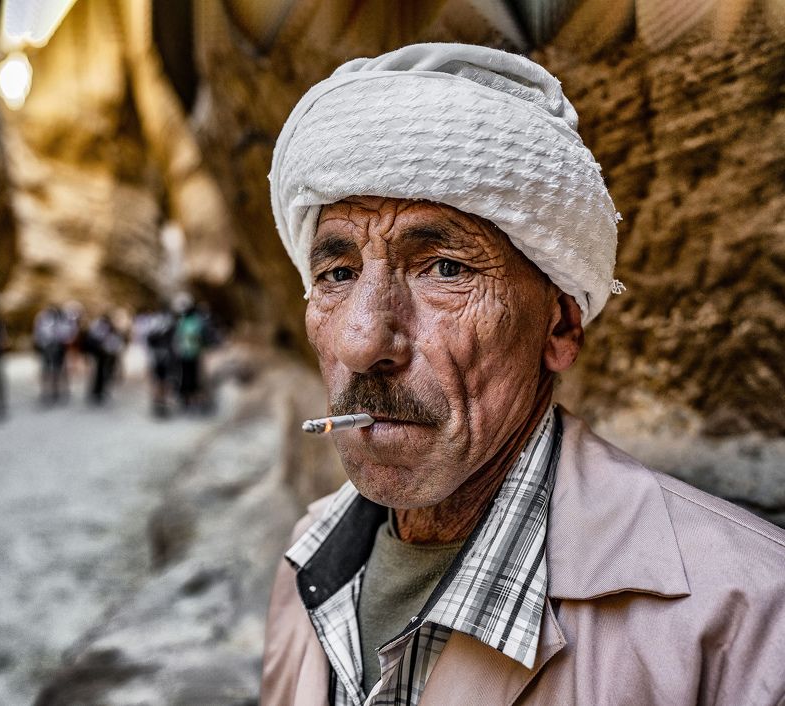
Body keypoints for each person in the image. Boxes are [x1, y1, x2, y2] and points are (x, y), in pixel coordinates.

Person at [260, 44, 785, 705]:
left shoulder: (751, 627)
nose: (365, 341)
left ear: (559, 328)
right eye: (337, 274)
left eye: (445, 268)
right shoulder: (309, 559)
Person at [84, 313, 124, 404]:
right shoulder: (98, 327)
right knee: (99, 373)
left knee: (105, 373)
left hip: (107, 355)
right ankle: (97, 391)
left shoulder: (110, 329)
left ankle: (101, 391)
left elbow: (115, 342)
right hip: (99, 354)